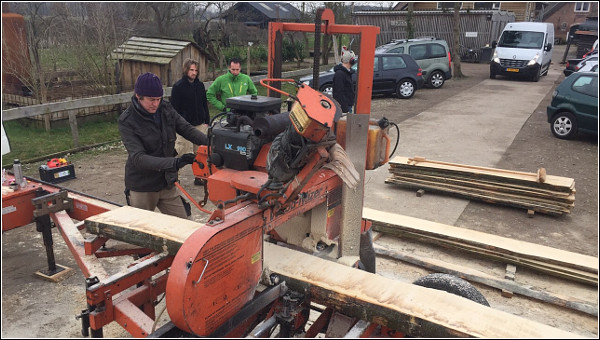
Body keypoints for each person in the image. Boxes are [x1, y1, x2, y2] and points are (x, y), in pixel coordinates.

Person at [118, 72, 208, 220]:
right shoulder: (127, 120)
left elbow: (186, 129)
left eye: (159, 99)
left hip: (166, 182)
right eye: (151, 100)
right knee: (143, 233)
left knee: (185, 224)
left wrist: (211, 143)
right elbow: (139, 158)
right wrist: (176, 162)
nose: (156, 104)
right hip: (142, 186)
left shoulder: (166, 108)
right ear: (138, 96)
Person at [171, 58, 210, 157]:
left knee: (202, 154)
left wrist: (206, 121)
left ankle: (199, 173)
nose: (194, 73)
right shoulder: (178, 87)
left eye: (196, 70)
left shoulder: (200, 85)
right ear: (186, 70)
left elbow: (204, 104)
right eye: (191, 70)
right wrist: (178, 125)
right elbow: (175, 109)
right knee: (182, 153)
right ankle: (173, 171)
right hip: (184, 126)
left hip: (200, 125)